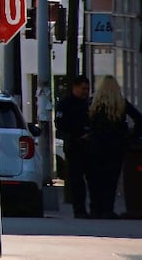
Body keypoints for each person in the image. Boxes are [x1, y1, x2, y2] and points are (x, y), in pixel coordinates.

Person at [84, 75, 142, 218]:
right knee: (111, 179)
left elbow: (82, 122)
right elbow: (139, 119)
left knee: (95, 178)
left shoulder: (93, 103)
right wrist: (130, 136)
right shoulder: (121, 103)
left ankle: (95, 209)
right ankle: (107, 209)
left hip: (95, 145)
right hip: (116, 145)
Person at [55, 75, 91, 218]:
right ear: (74, 87)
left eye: (87, 89)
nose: (85, 92)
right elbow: (60, 126)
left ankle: (95, 208)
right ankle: (79, 210)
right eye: (83, 88)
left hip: (89, 147)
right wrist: (74, 137)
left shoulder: (88, 104)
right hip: (74, 147)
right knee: (76, 181)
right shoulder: (65, 104)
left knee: (92, 179)